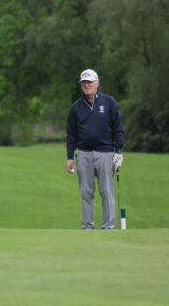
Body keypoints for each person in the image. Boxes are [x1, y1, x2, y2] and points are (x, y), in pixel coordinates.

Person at [66, 69, 124, 230]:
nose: (87, 85)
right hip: (83, 154)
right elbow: (71, 134)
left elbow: (118, 127)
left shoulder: (109, 102)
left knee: (106, 191)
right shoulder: (76, 107)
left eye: (90, 82)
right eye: (84, 82)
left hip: (105, 153)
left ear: (97, 83)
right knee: (86, 193)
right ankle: (87, 227)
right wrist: (70, 157)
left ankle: (108, 226)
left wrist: (118, 151)